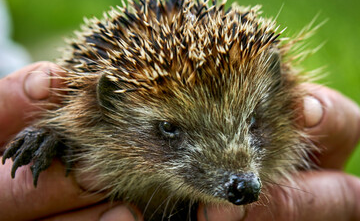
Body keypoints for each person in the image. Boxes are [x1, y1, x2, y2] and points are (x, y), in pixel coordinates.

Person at [0, 62, 359, 221]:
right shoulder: (83, 123)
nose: (242, 177)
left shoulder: (285, 117)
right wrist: (48, 137)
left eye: (251, 123)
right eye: (171, 130)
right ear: (107, 105)